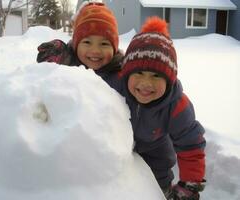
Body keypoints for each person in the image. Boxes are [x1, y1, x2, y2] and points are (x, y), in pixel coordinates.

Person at [118, 16, 206, 200]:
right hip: (121, 154)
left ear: (170, 80)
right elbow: (91, 75)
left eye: (156, 76)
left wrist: (190, 184)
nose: (146, 83)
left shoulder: (176, 105)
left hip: (157, 159)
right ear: (126, 74)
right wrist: (66, 53)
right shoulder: (117, 87)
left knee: (156, 187)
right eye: (139, 73)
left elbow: (190, 144)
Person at [36, 1, 123, 87]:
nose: (95, 50)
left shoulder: (122, 76)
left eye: (104, 44)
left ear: (114, 48)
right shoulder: (68, 63)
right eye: (87, 42)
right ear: (76, 46)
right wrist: (57, 58)